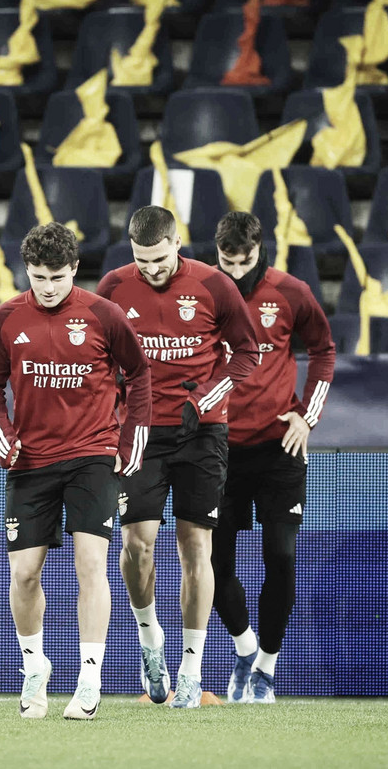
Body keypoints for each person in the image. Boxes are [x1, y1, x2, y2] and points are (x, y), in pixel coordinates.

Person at [0, 222, 152, 721]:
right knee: (24, 573)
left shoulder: (104, 314)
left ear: (75, 270)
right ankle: (35, 667)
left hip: (93, 456)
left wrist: (130, 438)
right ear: (26, 272)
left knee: (91, 564)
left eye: (56, 276)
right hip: (30, 461)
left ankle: (89, 679)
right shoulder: (6, 318)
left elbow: (139, 374)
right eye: (38, 277)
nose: (47, 287)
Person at [96, 206, 260, 709]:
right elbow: (96, 359)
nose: (152, 269)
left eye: (160, 258)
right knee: (135, 546)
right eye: (142, 260)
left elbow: (247, 354)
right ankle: (150, 640)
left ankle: (191, 669)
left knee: (196, 548)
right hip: (141, 431)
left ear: (177, 243)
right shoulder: (113, 288)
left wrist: (204, 400)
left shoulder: (214, 286)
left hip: (202, 432)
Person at [210, 212, 335, 704]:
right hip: (218, 449)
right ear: (216, 252)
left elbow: (323, 350)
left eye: (244, 262)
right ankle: (243, 650)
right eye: (226, 261)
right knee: (213, 563)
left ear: (260, 249)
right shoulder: (202, 292)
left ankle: (265, 667)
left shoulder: (292, 292)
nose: (236, 271)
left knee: (280, 556)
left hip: (279, 447)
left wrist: (307, 417)